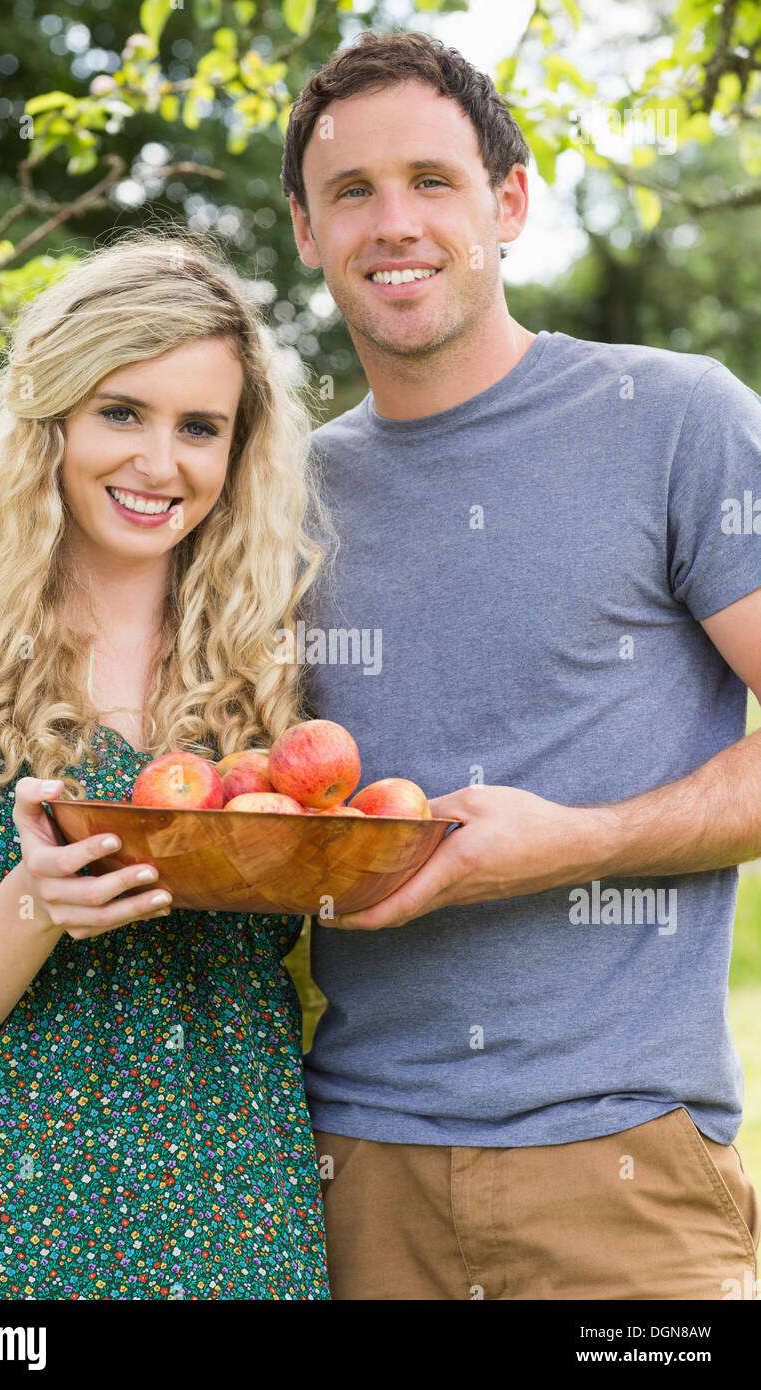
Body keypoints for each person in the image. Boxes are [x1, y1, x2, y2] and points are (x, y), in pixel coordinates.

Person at [280, 29, 761, 1300]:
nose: (394, 223)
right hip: (348, 1172)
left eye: (431, 181)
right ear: (303, 231)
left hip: (625, 1174)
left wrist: (579, 839)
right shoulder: (280, 494)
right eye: (351, 191)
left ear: (506, 200)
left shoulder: (676, 421)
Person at [0, 233, 334, 1300]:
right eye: (120, 412)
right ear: (52, 422)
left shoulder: (280, 706)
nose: (158, 461)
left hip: (240, 1218)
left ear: (236, 455)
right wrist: (30, 905)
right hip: (0, 1234)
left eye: (199, 427)